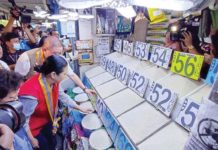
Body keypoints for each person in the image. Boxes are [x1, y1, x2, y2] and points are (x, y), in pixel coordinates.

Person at [18, 55, 93, 150]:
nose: (66, 76)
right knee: (43, 146)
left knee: (52, 143)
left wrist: (79, 107)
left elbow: (62, 96)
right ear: (53, 74)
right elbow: (23, 120)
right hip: (33, 129)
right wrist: (31, 139)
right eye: (64, 74)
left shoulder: (52, 81)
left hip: (46, 120)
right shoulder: (31, 94)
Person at [15, 36, 96, 95]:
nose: (58, 56)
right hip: (32, 94)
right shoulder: (26, 58)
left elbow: (72, 75)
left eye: (60, 53)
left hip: (50, 92)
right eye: (55, 53)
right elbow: (17, 80)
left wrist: (85, 89)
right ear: (44, 50)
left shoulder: (58, 58)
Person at [0, 69, 33, 150]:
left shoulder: (12, 109)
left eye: (17, 95)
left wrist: (31, 139)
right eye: (11, 98)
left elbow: (23, 122)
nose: (16, 101)